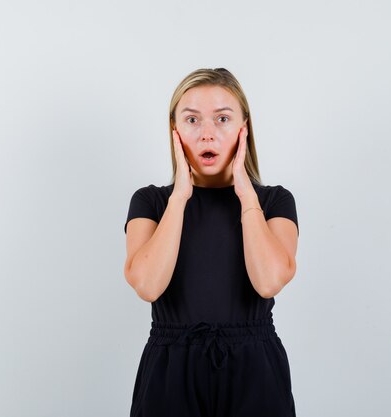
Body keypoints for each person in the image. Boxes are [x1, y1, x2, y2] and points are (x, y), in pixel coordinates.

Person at [123, 68, 299, 417]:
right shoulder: (151, 203)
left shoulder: (274, 202)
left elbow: (268, 282)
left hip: (255, 366)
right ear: (174, 131)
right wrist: (180, 198)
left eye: (222, 119)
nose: (207, 134)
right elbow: (147, 285)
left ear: (243, 128)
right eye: (191, 120)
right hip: (170, 367)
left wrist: (246, 194)